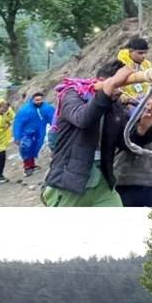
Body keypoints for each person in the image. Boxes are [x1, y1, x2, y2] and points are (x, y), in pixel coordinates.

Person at [44, 63, 122, 206]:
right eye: (118, 85)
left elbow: (126, 141)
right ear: (102, 80)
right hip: (69, 182)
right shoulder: (72, 94)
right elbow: (83, 119)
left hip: (103, 183)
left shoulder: (114, 104)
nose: (121, 91)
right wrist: (106, 92)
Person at [112, 88, 152, 207]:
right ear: (151, 96)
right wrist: (146, 125)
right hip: (127, 180)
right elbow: (132, 142)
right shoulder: (130, 111)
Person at [12, 93, 54, 177]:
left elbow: (53, 118)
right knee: (26, 148)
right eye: (37, 100)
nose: (39, 102)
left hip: (39, 132)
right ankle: (27, 167)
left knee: (35, 148)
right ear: (33, 100)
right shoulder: (25, 110)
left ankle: (32, 165)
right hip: (26, 133)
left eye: (40, 99)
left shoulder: (47, 108)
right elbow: (18, 124)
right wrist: (17, 137)